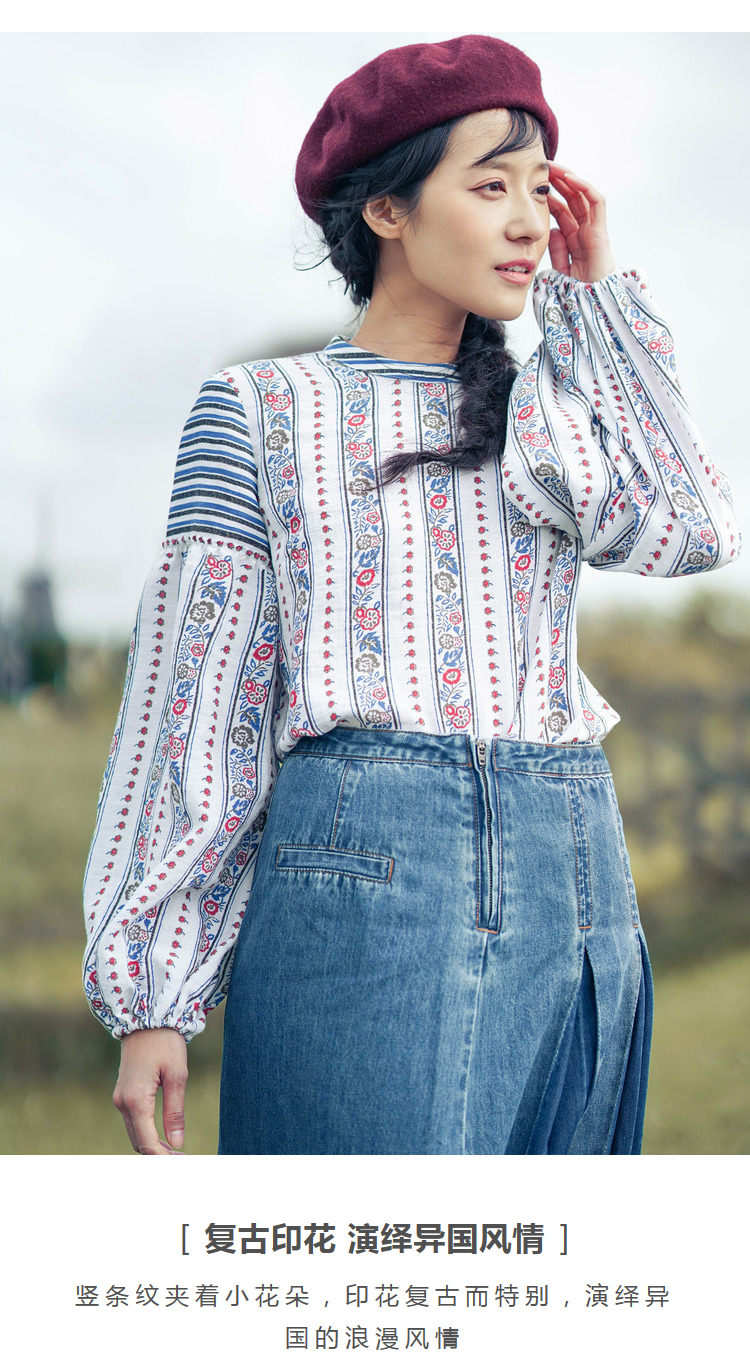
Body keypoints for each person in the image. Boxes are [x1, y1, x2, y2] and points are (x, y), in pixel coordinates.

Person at [83, 34, 740, 1156]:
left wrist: (592, 308)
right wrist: (154, 993)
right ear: (387, 209)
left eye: (540, 188)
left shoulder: (546, 410)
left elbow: (690, 529)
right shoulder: (261, 409)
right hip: (364, 866)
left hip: (574, 855)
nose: (528, 220)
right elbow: (201, 709)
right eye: (490, 187)